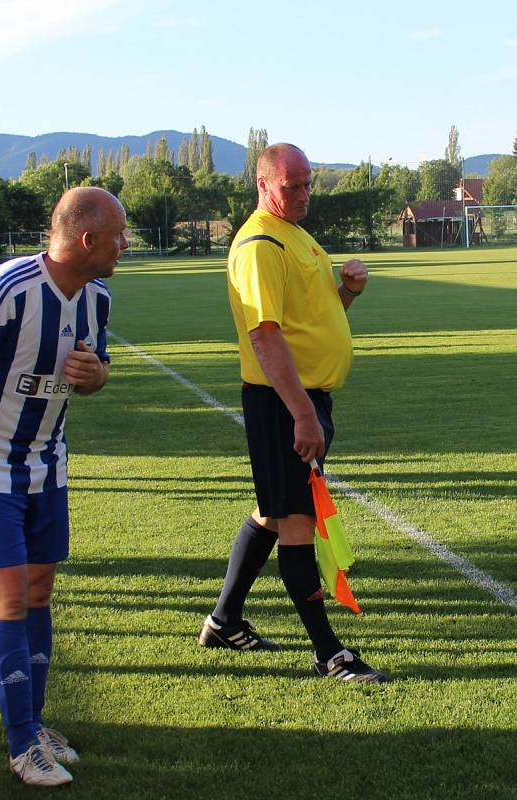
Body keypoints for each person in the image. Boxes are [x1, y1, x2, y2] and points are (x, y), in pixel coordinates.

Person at [0, 186, 126, 786]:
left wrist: (97, 376)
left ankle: (34, 722)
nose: (126, 244)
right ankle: (21, 744)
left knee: (40, 589)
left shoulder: (97, 299)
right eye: (119, 234)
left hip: (48, 464)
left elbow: (92, 376)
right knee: (9, 597)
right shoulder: (5, 291)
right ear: (87, 239)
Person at [198, 143, 389, 684]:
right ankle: (328, 651)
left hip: (304, 399)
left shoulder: (296, 234)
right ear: (263, 184)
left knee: (274, 511)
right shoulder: (259, 245)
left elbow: (311, 315)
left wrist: (346, 293)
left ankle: (224, 619)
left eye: (308, 184)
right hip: (285, 401)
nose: (304, 194)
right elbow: (266, 335)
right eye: (292, 186)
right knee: (297, 522)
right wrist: (302, 414)